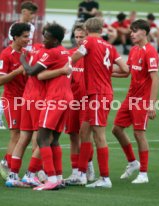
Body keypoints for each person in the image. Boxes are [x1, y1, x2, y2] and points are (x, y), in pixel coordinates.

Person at [69, 17, 129, 188]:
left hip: (97, 94)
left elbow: (73, 59)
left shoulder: (88, 43)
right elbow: (125, 70)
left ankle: (105, 178)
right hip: (100, 93)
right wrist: (106, 70)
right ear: (101, 30)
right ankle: (81, 174)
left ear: (87, 30)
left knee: (99, 136)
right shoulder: (109, 46)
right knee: (84, 131)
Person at [20, 22, 73, 191]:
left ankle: (50, 179)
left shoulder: (52, 53)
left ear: (56, 40)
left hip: (55, 97)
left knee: (42, 138)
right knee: (54, 140)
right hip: (66, 96)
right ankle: (57, 177)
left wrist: (21, 58)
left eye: (47, 37)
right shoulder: (64, 51)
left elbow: (31, 71)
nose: (44, 40)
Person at [112, 19, 159, 184]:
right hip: (130, 98)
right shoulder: (133, 50)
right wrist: (105, 71)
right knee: (116, 129)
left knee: (139, 133)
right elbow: (126, 73)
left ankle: (144, 173)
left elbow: (156, 79)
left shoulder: (150, 51)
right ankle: (133, 163)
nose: (131, 34)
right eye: (131, 31)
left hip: (142, 100)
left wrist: (151, 104)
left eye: (134, 31)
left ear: (144, 33)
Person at [0, 1, 38, 130]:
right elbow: (14, 45)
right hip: (16, 58)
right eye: (31, 14)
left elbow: (28, 45)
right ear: (24, 12)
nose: (33, 17)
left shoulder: (31, 27)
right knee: (8, 90)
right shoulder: (15, 27)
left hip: (26, 58)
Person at [0, 23, 30, 181]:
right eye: (24, 36)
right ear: (15, 37)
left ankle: (6, 163)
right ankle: (6, 166)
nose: (27, 39)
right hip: (11, 99)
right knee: (16, 135)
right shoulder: (6, 54)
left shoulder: (26, 53)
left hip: (26, 99)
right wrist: (16, 71)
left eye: (28, 36)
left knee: (25, 135)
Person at [64, 23, 95, 183]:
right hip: (72, 102)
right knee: (73, 136)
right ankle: (76, 172)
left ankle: (86, 168)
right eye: (76, 37)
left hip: (88, 102)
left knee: (85, 135)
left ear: (87, 37)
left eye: (81, 37)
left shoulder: (91, 56)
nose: (78, 40)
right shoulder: (70, 55)